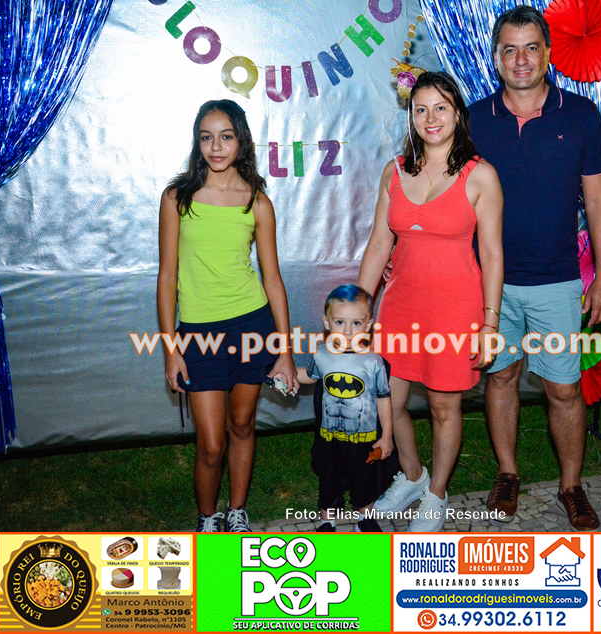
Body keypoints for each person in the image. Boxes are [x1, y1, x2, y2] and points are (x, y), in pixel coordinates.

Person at [468, 6, 601, 530]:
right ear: (495, 58)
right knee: (501, 377)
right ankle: (507, 473)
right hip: (491, 284)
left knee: (564, 389)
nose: (521, 59)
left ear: (548, 53)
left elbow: (598, 201)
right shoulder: (473, 119)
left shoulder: (581, 115)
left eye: (531, 47)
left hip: (558, 281)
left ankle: (571, 486)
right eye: (509, 49)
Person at [358, 71, 504, 532]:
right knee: (387, 402)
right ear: (411, 116)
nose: (430, 118)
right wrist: (358, 309)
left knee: (444, 408)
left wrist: (489, 324)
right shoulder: (394, 170)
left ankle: (436, 495)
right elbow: (378, 244)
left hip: (454, 312)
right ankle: (412, 476)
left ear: (457, 113)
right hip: (400, 309)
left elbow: (492, 254)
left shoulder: (481, 175)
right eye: (420, 109)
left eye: (440, 107)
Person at [157, 99, 298, 532]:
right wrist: (170, 349)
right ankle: (207, 517)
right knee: (211, 445)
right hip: (198, 335)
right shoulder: (177, 198)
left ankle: (236, 512)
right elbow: (167, 277)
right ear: (197, 142)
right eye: (206, 137)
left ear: (241, 141)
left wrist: (284, 351)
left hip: (252, 326)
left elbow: (272, 280)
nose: (216, 147)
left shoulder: (257, 202)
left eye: (226, 136)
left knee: (242, 424)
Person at [296, 285, 394, 532]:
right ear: (327, 323)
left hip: (363, 437)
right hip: (329, 436)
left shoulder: (373, 362)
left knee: (364, 478)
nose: (348, 331)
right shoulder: (322, 354)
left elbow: (384, 398)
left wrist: (387, 436)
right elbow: (310, 376)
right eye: (340, 322)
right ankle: (327, 521)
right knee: (328, 478)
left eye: (356, 323)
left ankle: (365, 519)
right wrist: (285, 373)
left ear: (368, 324)